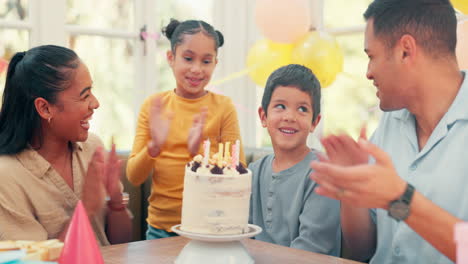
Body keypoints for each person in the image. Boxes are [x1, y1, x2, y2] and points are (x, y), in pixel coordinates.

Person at [310, 0, 467, 263]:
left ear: (406, 51)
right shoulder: (390, 122)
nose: (368, 73)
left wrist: (400, 198)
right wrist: (352, 192)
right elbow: (363, 248)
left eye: (371, 56)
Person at [0, 45, 132, 245]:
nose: (95, 103)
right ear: (45, 108)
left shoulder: (92, 147)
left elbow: (121, 245)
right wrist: (86, 209)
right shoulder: (6, 177)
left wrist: (115, 201)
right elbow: (34, 260)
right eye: (85, 95)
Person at [126, 19, 245, 240]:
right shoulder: (154, 106)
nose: (196, 69)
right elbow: (134, 176)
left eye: (206, 61)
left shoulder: (224, 107)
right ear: (171, 58)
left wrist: (197, 154)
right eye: (188, 58)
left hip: (211, 227)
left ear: (215, 64)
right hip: (160, 230)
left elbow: (237, 173)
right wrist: (154, 147)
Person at [248, 64, 341, 256]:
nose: (290, 117)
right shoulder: (253, 171)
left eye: (302, 109)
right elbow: (242, 236)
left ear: (315, 122)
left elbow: (310, 250)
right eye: (280, 106)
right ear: (263, 116)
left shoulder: (323, 174)